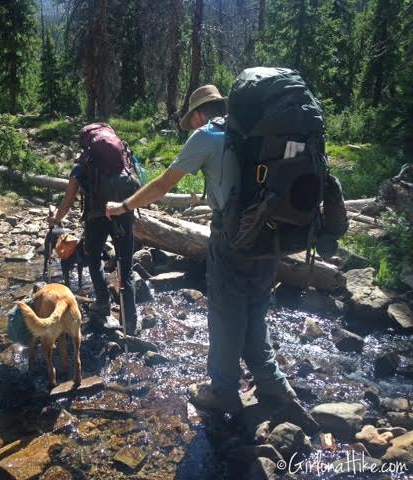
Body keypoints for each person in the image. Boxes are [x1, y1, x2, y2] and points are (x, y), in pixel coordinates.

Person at [106, 85, 318, 427]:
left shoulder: (207, 135)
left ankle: (223, 391)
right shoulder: (258, 133)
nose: (192, 124)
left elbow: (163, 184)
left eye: (192, 118)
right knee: (255, 311)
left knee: (224, 315)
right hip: (272, 235)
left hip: (231, 238)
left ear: (200, 113)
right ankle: (275, 387)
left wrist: (125, 206)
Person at [48, 134, 140, 336]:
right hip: (123, 214)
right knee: (126, 266)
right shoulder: (124, 158)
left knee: (93, 257)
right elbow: (139, 184)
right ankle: (131, 322)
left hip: (96, 219)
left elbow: (68, 202)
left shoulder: (82, 166)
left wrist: (56, 220)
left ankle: (103, 303)